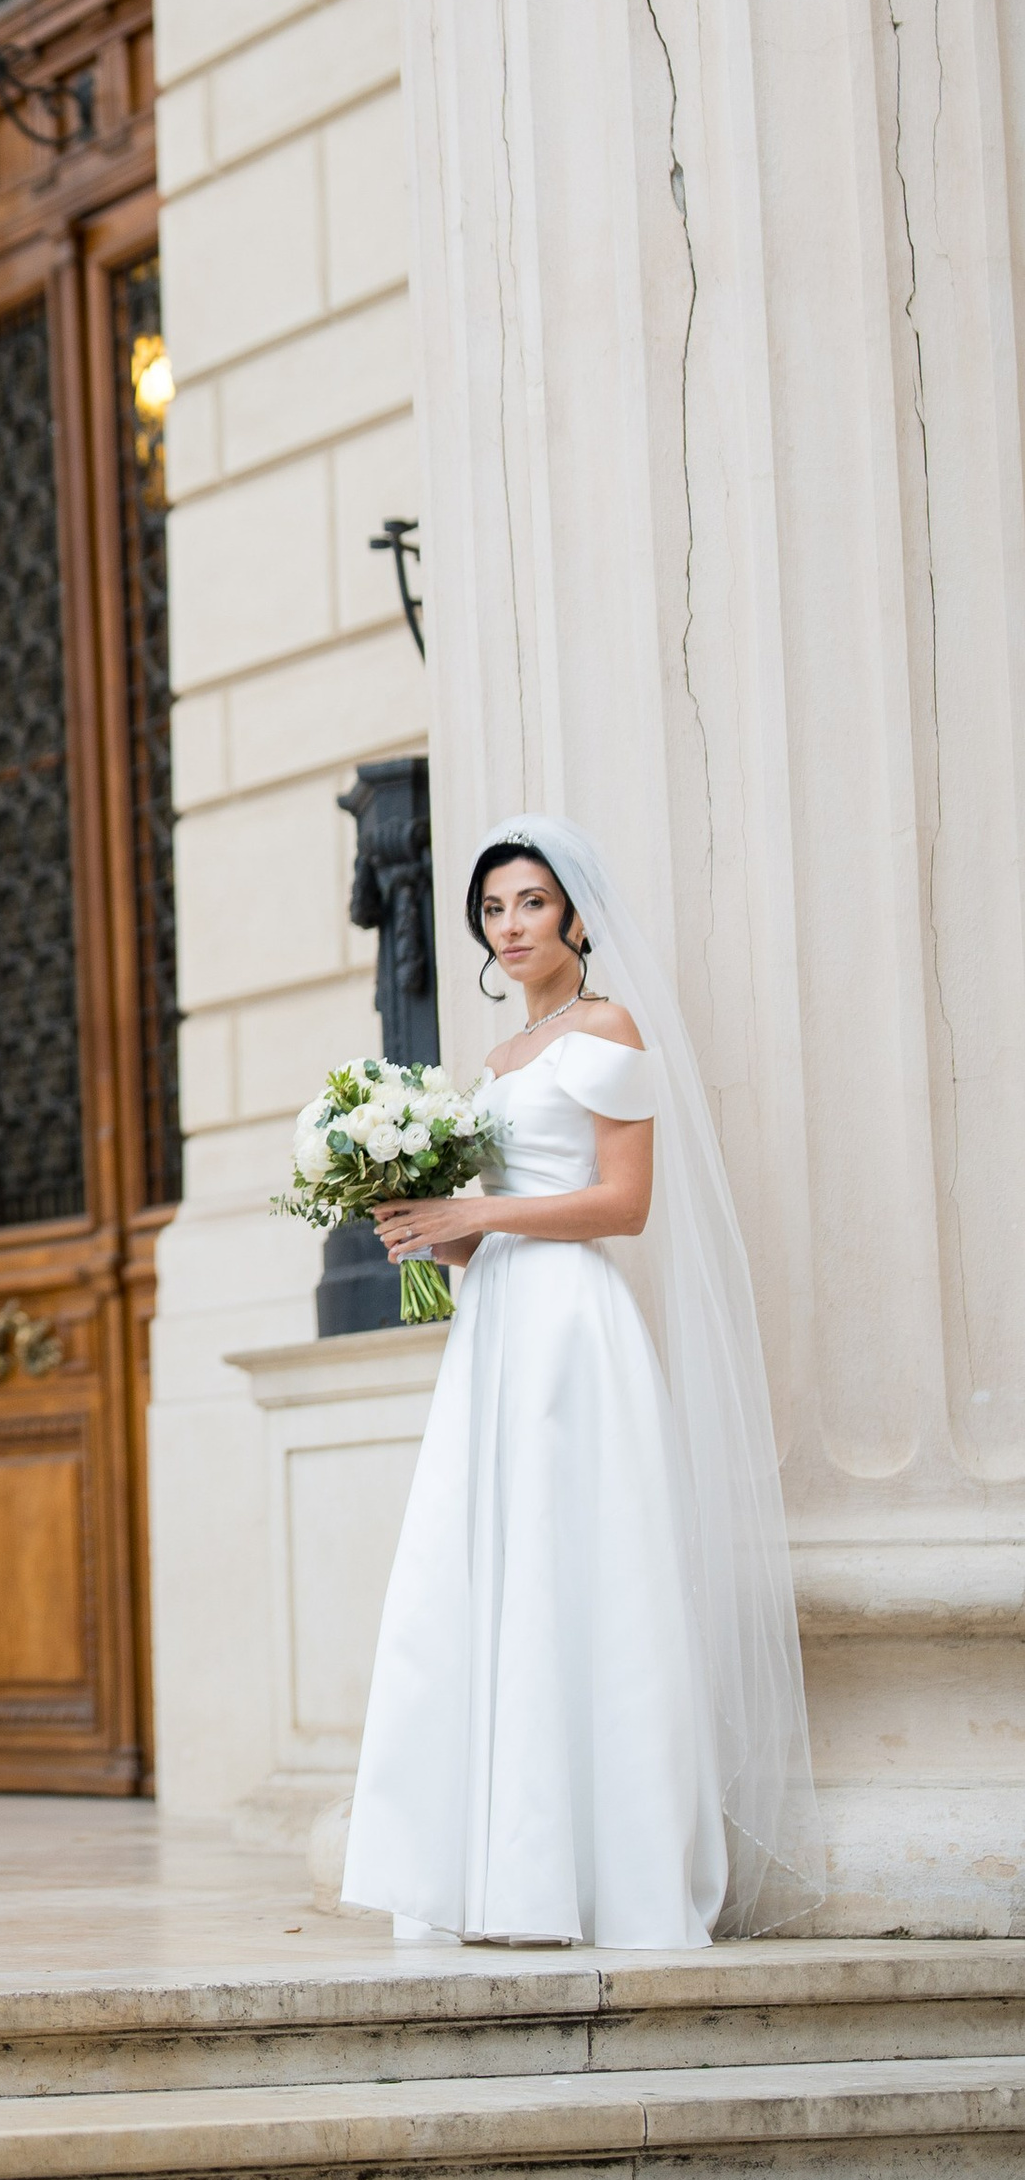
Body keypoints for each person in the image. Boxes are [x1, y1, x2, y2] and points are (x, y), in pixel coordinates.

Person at [340, 817, 822, 1948]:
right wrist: (425, 1229)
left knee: (579, 1568)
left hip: (570, 1328)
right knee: (488, 1569)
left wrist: (480, 1212)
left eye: (532, 905)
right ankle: (501, 1873)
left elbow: (622, 1203)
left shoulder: (605, 1028)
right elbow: (483, 1226)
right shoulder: (498, 1059)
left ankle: (612, 1876)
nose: (510, 928)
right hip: (496, 1323)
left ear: (575, 917)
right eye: (494, 909)